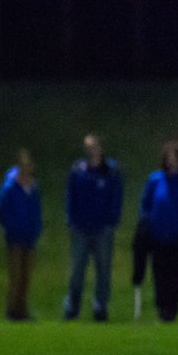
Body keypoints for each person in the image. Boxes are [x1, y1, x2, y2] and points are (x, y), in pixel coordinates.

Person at [137, 141, 178, 322]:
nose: (172, 162)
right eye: (169, 158)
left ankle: (173, 307)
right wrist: (147, 222)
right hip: (158, 236)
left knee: (177, 272)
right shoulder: (155, 179)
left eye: (175, 158)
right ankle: (162, 307)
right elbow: (145, 204)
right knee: (160, 272)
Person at [63, 134, 122, 322]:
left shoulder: (110, 170)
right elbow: (71, 196)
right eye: (88, 147)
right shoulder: (78, 170)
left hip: (102, 229)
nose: (91, 151)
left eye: (94, 147)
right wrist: (71, 219)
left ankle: (100, 307)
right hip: (81, 228)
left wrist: (111, 221)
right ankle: (72, 307)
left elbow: (116, 197)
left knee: (103, 270)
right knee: (77, 271)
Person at [0, 149, 43, 321]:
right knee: (15, 275)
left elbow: (37, 211)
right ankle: (12, 309)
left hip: (30, 236)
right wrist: (10, 228)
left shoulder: (33, 187)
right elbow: (3, 209)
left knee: (26, 277)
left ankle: (22, 309)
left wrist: (36, 229)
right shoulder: (10, 187)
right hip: (15, 236)